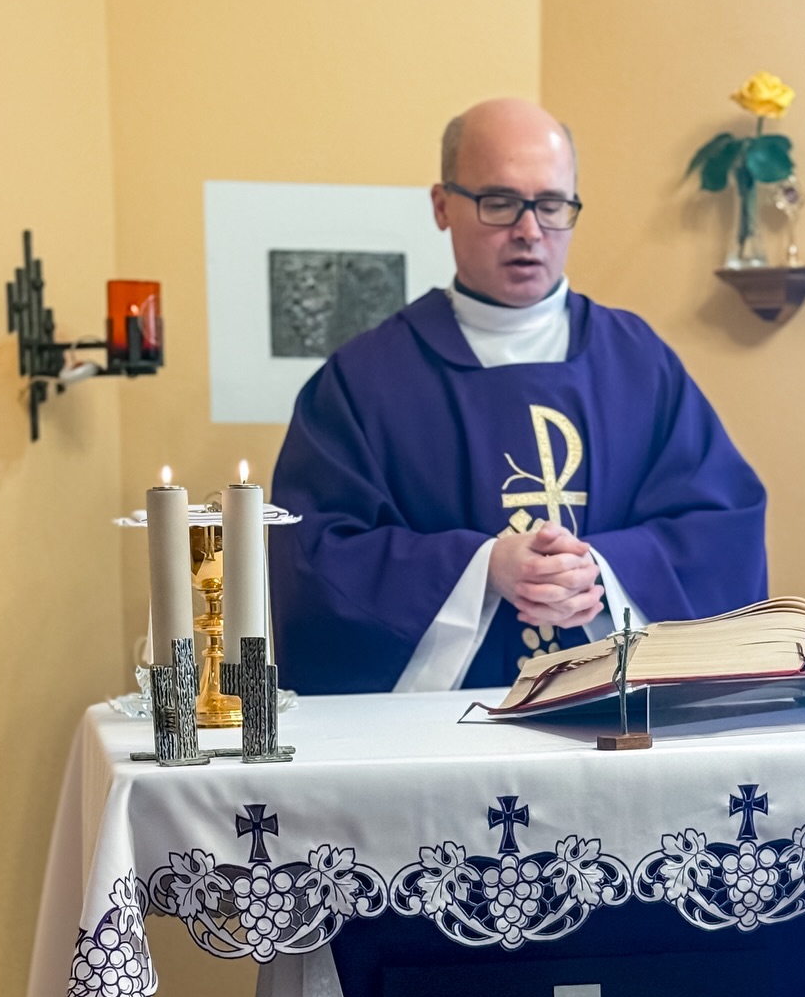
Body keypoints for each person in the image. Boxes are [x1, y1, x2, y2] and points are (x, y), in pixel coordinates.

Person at [270, 98, 768, 695]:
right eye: (499, 202)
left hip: (615, 720)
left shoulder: (639, 363)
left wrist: (600, 571)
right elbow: (314, 556)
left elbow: (723, 530)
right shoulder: (364, 380)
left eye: (552, 205)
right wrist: (482, 570)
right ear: (442, 206)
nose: (529, 231)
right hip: (437, 732)